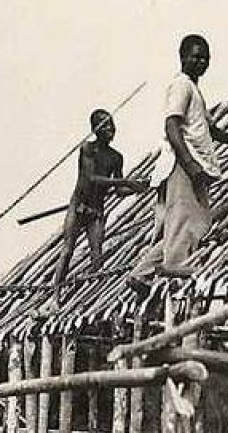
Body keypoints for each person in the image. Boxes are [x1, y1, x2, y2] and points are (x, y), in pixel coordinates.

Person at [125, 34, 228, 292]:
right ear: (182, 57)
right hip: (183, 167)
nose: (200, 62)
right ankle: (170, 285)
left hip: (192, 167)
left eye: (205, 57)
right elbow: (172, 125)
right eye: (195, 56)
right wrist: (189, 163)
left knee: (189, 228)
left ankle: (142, 273)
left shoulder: (194, 90)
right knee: (183, 230)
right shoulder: (181, 86)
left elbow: (209, 129)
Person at [44, 109, 149, 315]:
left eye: (112, 124)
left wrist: (138, 188)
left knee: (97, 256)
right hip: (79, 206)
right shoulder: (87, 149)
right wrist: (125, 181)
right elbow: (92, 178)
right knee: (67, 251)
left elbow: (118, 191)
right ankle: (55, 298)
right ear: (95, 129)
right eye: (105, 125)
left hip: (96, 210)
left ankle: (89, 300)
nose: (110, 129)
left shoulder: (116, 157)